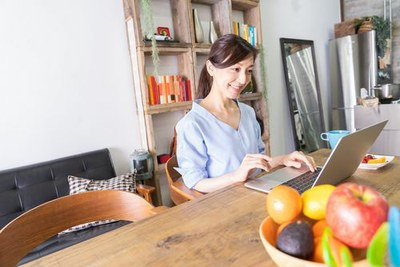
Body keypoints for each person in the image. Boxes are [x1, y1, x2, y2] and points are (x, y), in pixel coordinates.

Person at [175, 34, 316, 193]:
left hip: (257, 196)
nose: (243, 79)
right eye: (235, 69)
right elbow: (196, 182)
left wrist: (284, 159)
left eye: (248, 71)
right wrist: (235, 176)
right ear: (211, 68)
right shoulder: (192, 124)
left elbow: (258, 165)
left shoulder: (248, 113)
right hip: (224, 206)